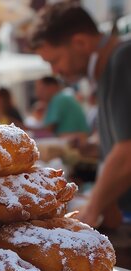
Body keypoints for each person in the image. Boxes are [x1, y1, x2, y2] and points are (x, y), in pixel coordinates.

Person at [30, 2, 131, 227]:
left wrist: (91, 209)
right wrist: (97, 148)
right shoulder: (110, 68)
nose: (55, 72)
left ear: (80, 42)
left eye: (54, 61)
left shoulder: (123, 59)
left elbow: (127, 152)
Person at [34, 76, 90, 145]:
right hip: (77, 140)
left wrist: (22, 127)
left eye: (41, 89)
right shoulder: (62, 97)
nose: (37, 93)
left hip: (76, 142)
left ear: (52, 87)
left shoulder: (58, 99)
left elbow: (48, 130)